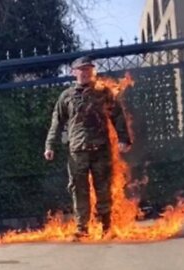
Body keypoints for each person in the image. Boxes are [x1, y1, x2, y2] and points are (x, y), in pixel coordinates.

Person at [44, 56, 132, 238]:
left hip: (101, 149)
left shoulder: (104, 92)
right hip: (77, 151)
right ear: (73, 72)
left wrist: (124, 139)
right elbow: (57, 122)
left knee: (103, 187)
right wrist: (50, 145)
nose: (85, 72)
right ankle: (81, 227)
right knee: (79, 188)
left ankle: (106, 227)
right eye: (81, 69)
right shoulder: (66, 96)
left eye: (88, 69)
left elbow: (117, 116)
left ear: (93, 71)